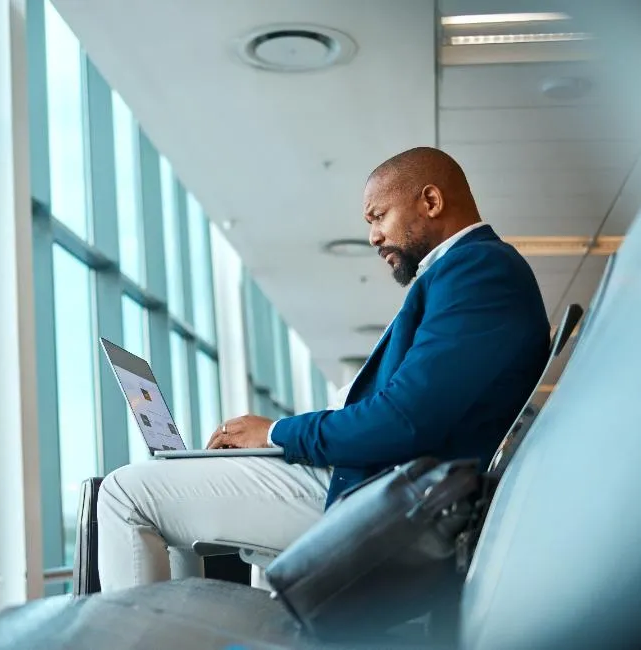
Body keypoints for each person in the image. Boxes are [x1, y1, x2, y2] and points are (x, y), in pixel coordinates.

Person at [96, 147, 551, 592]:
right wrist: (272, 441)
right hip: (380, 482)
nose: (373, 237)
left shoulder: (478, 269)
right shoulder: (464, 272)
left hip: (379, 495)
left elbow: (404, 420)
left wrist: (274, 433)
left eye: (378, 217)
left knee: (123, 492)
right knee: (175, 495)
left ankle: (149, 628)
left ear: (430, 201)